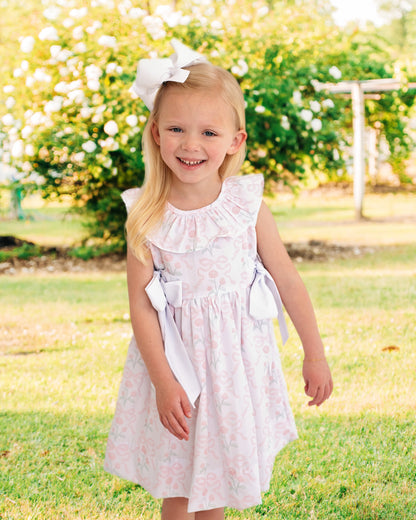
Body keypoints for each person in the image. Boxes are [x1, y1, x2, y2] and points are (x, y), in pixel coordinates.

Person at [104, 40, 333, 520]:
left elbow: (288, 281)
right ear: (156, 133)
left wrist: (314, 354)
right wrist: (165, 383)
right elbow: (142, 308)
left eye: (209, 131)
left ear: (235, 140)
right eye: (177, 129)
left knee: (220, 480)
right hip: (178, 369)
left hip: (236, 369)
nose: (191, 144)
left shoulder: (246, 207)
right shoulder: (146, 217)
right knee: (181, 485)